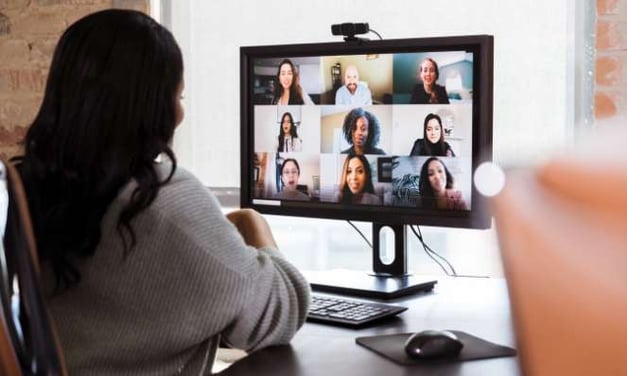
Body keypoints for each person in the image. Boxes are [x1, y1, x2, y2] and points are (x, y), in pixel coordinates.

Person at [13, 9, 310, 375]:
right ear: (151, 105)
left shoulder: (29, 185)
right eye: (180, 96)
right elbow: (281, 312)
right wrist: (253, 224)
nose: (182, 113)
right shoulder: (163, 199)